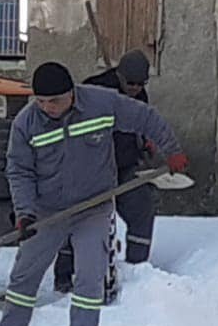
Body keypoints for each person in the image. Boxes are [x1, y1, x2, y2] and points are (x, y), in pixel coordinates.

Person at [0, 62, 188, 326]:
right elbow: (19, 171)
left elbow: (145, 117)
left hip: (92, 206)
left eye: (55, 101)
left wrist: (171, 150)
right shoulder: (26, 123)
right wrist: (25, 212)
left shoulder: (101, 103)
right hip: (46, 211)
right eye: (41, 101)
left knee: (89, 276)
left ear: (71, 93)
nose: (48, 108)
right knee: (24, 278)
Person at [53, 50, 161, 298]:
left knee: (141, 203)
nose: (135, 88)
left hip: (123, 166)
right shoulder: (94, 90)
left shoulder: (139, 96)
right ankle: (64, 277)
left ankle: (136, 270)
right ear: (119, 76)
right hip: (87, 169)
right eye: (131, 83)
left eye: (140, 84)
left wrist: (145, 141)